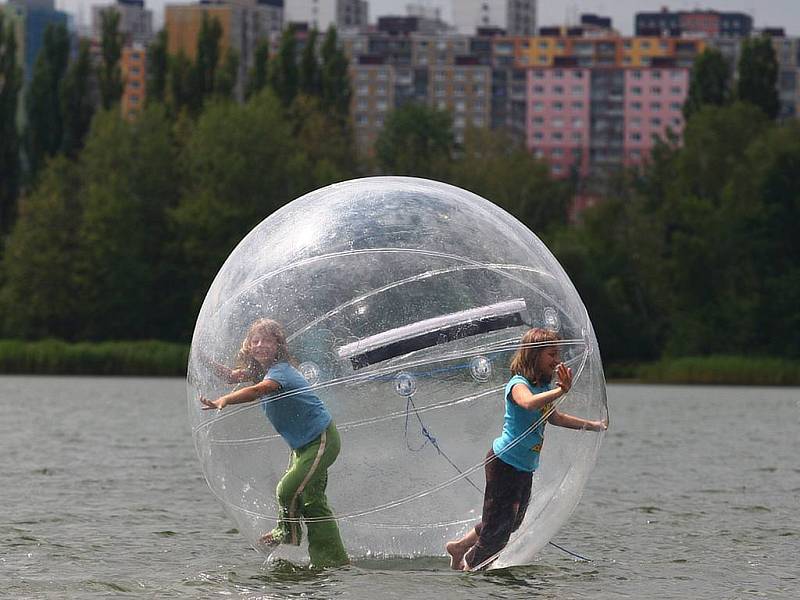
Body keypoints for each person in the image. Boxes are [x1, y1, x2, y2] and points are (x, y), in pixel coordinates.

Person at [446, 327, 607, 571]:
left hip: (524, 467)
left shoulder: (542, 388)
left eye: (558, 355)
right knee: (497, 532)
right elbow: (527, 404)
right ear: (534, 355)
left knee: (511, 523)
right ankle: (471, 571)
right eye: (551, 355)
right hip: (505, 463)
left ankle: (460, 547)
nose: (557, 361)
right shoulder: (518, 384)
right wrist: (561, 390)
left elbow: (555, 418)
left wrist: (594, 425)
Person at [200, 318, 349, 568]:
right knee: (313, 503)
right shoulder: (260, 371)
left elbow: (258, 390)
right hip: (302, 446)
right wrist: (203, 358)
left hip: (320, 440)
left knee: (286, 490)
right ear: (248, 346)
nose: (260, 345)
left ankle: (287, 532)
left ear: (278, 344)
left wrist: (223, 401)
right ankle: (333, 561)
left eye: (267, 340)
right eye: (255, 340)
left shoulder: (280, 372)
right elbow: (230, 376)